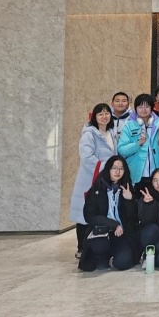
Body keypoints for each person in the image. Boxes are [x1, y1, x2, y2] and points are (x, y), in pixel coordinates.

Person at [69, 103, 116, 259]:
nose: (104, 116)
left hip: (105, 179)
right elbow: (87, 157)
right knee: (85, 213)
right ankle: (81, 248)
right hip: (90, 178)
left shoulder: (111, 132)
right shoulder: (89, 134)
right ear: (94, 117)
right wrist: (107, 167)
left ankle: (96, 247)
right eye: (100, 114)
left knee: (98, 212)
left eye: (107, 113)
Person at [78, 156, 137, 272]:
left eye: (121, 168)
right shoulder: (96, 189)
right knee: (100, 257)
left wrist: (129, 200)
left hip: (121, 234)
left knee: (123, 263)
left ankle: (114, 255)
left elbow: (132, 218)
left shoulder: (127, 188)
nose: (117, 171)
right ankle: (102, 256)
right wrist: (113, 224)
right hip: (102, 231)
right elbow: (89, 216)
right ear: (108, 169)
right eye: (114, 168)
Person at [118, 94, 159, 191]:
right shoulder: (129, 126)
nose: (143, 109)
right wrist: (138, 144)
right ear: (135, 109)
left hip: (157, 175)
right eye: (140, 107)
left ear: (152, 108)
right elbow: (121, 150)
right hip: (135, 174)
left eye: (147, 106)